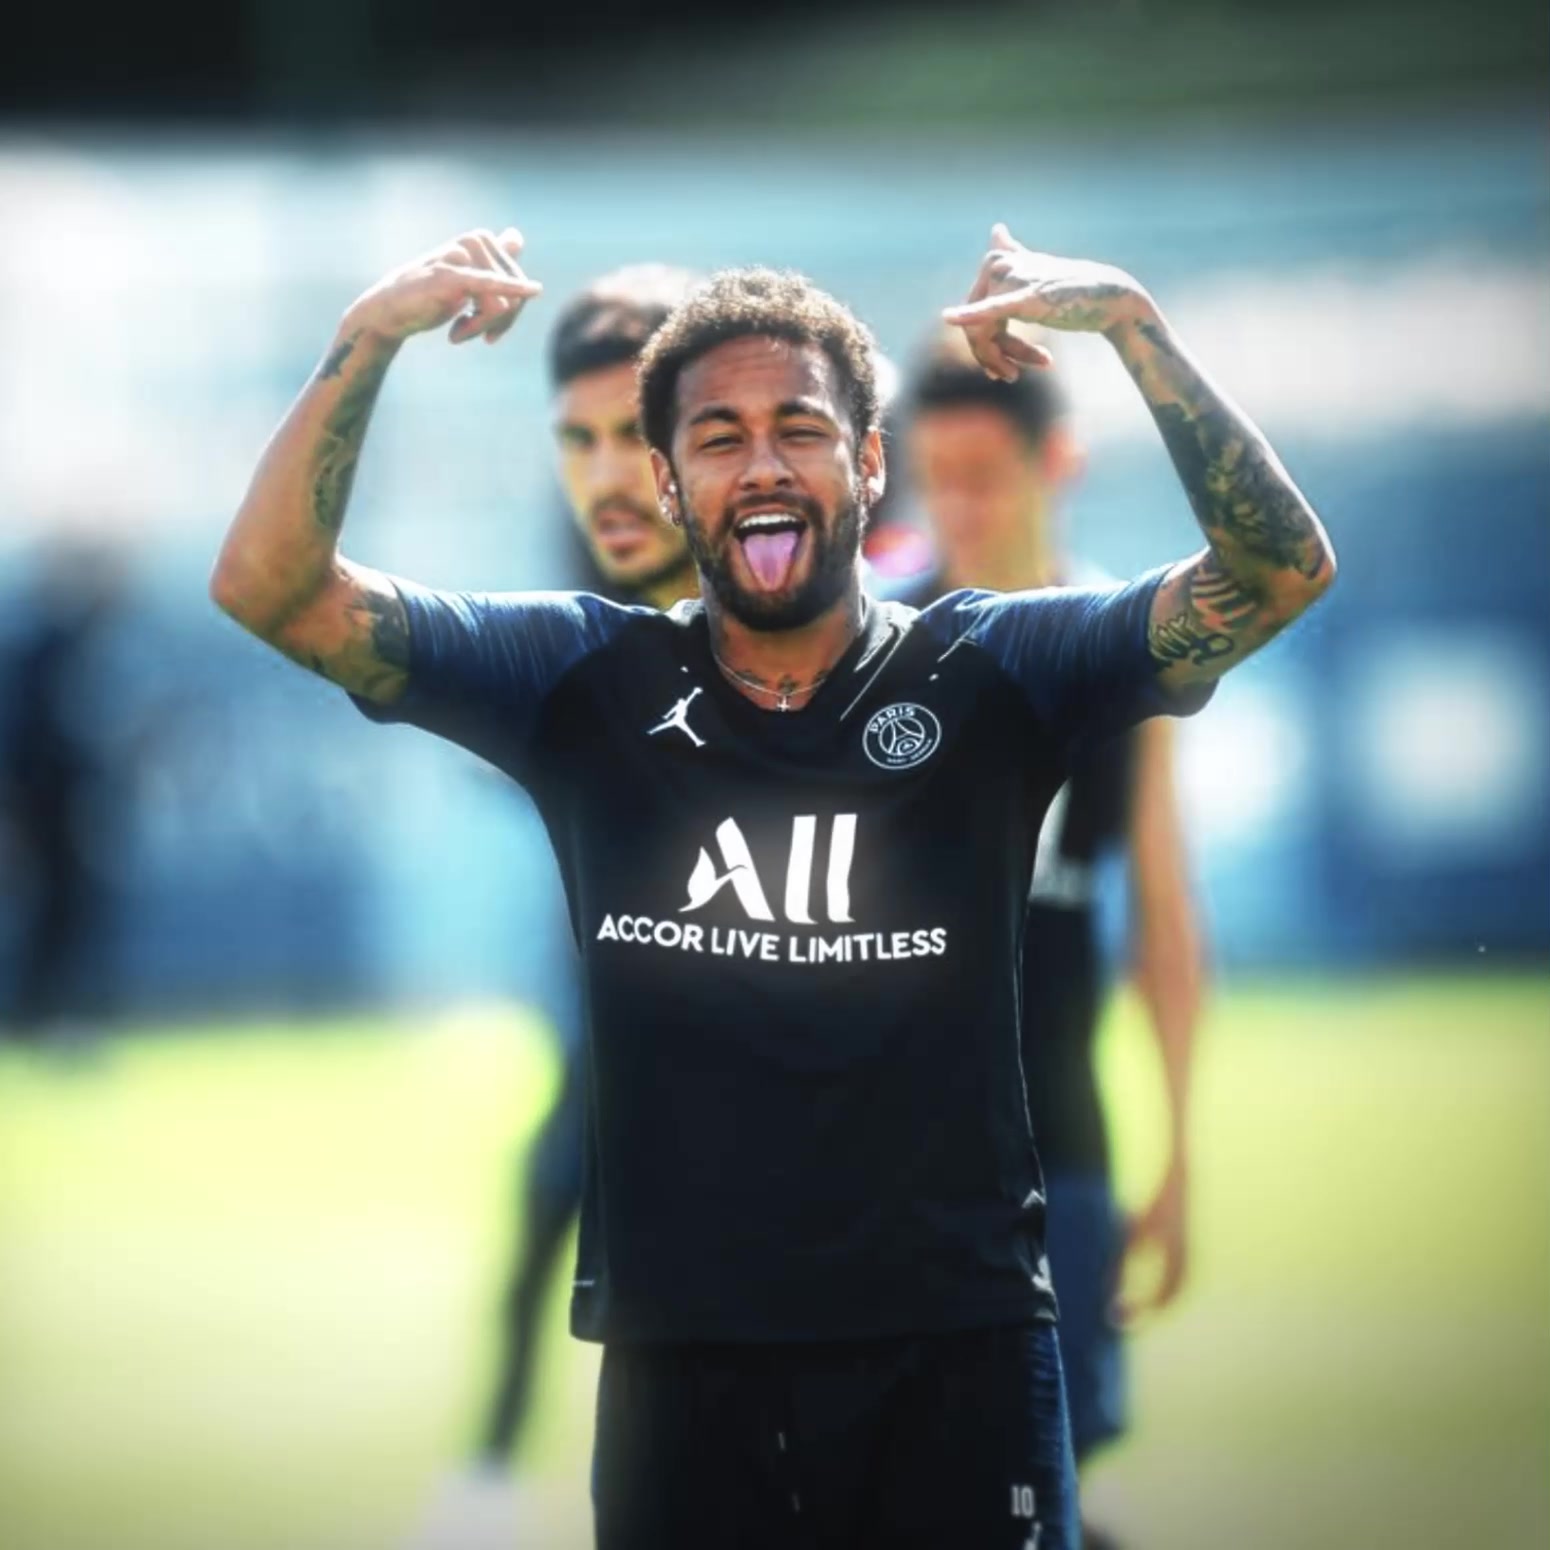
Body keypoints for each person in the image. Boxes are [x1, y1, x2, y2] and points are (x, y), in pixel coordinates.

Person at [209, 222, 1334, 1549]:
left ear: (869, 462)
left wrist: (1135, 329)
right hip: (684, 1379)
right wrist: (368, 335)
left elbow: (1275, 574)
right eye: (717, 436)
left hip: (959, 1359)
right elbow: (270, 587)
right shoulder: (582, 678)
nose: (761, 465)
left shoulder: (994, 669)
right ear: (668, 481)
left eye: (800, 428)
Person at [902, 337, 1206, 1548]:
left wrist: (1176, 1154)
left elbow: (1163, 916)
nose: (957, 505)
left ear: (1056, 461)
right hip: (887, 1165)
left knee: (1043, 1491)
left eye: (982, 474)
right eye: (935, 477)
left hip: (1061, 1155)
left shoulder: (1125, 652)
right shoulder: (873, 636)